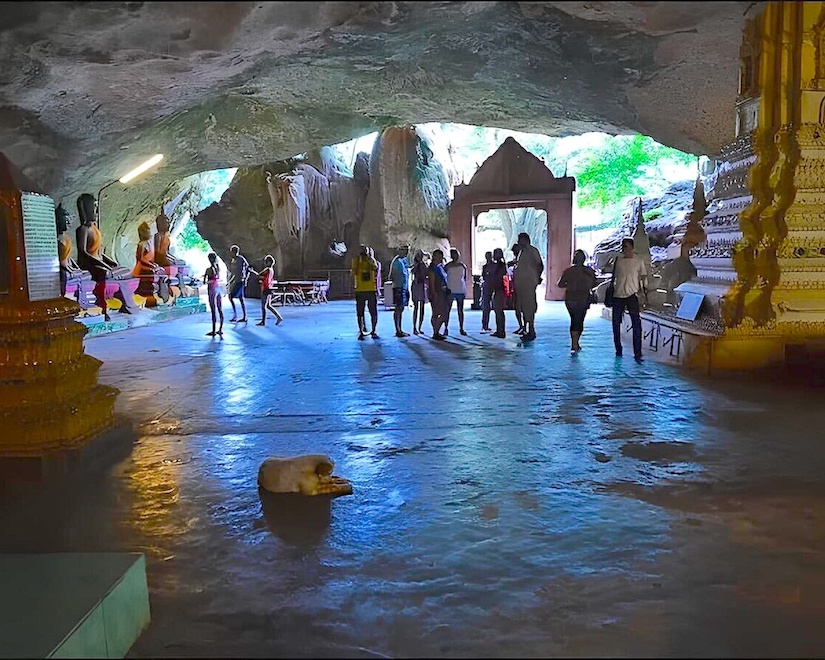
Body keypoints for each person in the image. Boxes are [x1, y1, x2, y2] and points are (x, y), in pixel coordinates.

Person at [611, 237, 648, 362]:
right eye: (623, 246)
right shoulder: (618, 260)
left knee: (636, 324)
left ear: (632, 247)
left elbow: (643, 276)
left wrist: (643, 291)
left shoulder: (638, 261)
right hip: (618, 294)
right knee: (616, 324)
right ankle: (618, 349)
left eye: (626, 246)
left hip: (632, 294)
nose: (624, 249)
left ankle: (637, 352)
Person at [558, 249, 598, 354]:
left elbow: (560, 284)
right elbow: (594, 283)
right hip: (583, 299)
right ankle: (576, 343)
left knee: (573, 320)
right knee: (580, 320)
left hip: (570, 299)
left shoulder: (569, 271)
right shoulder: (589, 271)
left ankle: (574, 343)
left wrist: (570, 284)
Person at [512, 232, 544, 341]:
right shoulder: (522, 252)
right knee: (523, 307)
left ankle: (531, 329)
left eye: (520, 240)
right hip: (521, 283)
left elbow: (540, 265)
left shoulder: (532, 251)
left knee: (529, 306)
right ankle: (527, 329)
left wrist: (537, 277)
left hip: (528, 283)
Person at [351, 244, 379, 339]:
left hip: (371, 289)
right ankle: (361, 331)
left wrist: (370, 259)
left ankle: (374, 330)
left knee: (373, 311)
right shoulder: (356, 261)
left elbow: (376, 269)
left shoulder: (371, 260)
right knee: (360, 312)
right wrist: (358, 262)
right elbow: (353, 272)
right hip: (360, 289)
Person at [254, 255, 284, 327]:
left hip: (266, 288)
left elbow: (259, 275)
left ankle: (263, 321)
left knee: (263, 306)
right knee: (268, 305)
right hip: (269, 288)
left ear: (269, 262)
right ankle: (279, 317)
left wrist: (255, 273)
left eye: (266, 262)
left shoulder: (267, 269)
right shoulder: (271, 270)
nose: (265, 263)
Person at [427, 248, 451, 340]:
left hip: (442, 292)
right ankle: (435, 331)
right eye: (439, 256)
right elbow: (431, 281)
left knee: (442, 313)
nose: (441, 258)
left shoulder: (440, 267)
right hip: (437, 292)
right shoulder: (433, 268)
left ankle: (436, 330)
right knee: (437, 313)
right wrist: (433, 293)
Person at [389, 245, 411, 337]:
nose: (406, 253)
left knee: (401, 308)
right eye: (404, 250)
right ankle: (397, 329)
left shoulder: (403, 261)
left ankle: (400, 329)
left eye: (407, 251)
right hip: (398, 287)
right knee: (398, 308)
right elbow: (392, 276)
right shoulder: (397, 261)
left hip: (403, 287)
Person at [227, 244, 250, 323]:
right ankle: (243, 316)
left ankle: (237, 315)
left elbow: (248, 268)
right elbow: (234, 272)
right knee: (240, 299)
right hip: (236, 281)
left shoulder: (241, 259)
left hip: (240, 281)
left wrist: (246, 279)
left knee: (231, 296)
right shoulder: (233, 260)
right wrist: (230, 281)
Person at [490, 248, 509, 338]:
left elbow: (499, 277)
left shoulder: (500, 266)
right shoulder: (499, 265)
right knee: (498, 311)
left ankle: (501, 331)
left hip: (500, 290)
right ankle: (500, 330)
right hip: (498, 289)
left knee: (499, 311)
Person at [203, 252, 224, 337]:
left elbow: (205, 281)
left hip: (212, 289)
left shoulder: (208, 269)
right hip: (218, 288)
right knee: (220, 309)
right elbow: (216, 278)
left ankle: (214, 330)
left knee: (213, 310)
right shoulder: (218, 268)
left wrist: (205, 278)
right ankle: (220, 329)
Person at [410, 249, 429, 335]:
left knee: (420, 308)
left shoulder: (422, 265)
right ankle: (415, 327)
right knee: (417, 307)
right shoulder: (416, 266)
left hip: (420, 286)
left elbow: (426, 274)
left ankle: (418, 327)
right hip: (417, 286)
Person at [507, 243, 523, 332]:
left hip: (522, 287)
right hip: (515, 287)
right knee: (517, 308)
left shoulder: (522, 262)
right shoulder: (513, 262)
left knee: (522, 308)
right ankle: (521, 326)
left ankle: (524, 326)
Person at [479, 251, 494, 333]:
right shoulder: (486, 266)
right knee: (486, 307)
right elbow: (484, 276)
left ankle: (485, 325)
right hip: (488, 286)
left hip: (490, 286)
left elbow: (484, 276)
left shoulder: (488, 266)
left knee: (487, 307)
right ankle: (485, 325)